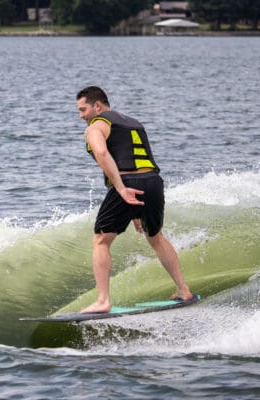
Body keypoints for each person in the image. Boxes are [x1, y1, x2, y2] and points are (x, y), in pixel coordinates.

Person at [76, 86, 192, 314]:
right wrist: (136, 212)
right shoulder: (134, 123)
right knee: (155, 236)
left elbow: (101, 153)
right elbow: (138, 158)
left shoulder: (95, 126)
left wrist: (121, 188)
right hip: (153, 182)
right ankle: (183, 290)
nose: (81, 116)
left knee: (101, 240)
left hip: (129, 182)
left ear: (97, 106)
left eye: (83, 109)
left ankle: (102, 301)